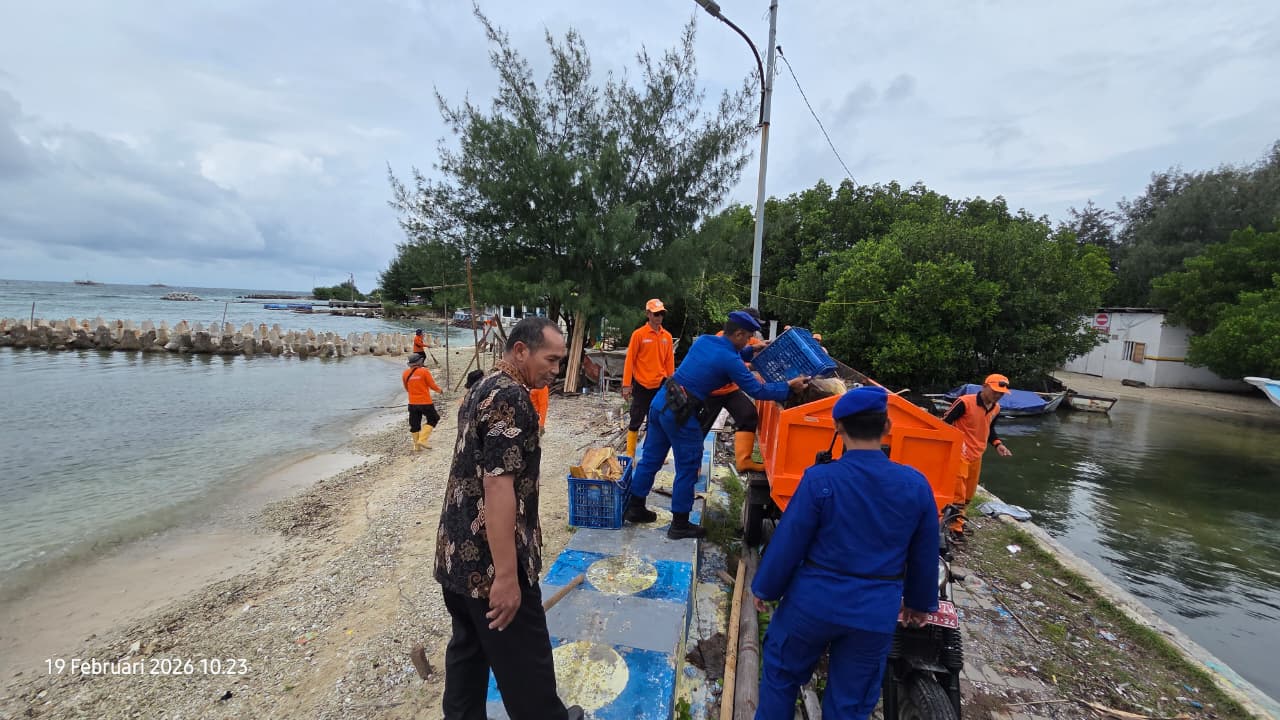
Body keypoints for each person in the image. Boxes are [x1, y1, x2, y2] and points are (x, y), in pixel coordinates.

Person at [751, 386, 940, 719]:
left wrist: (765, 589)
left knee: (781, 677)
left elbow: (789, 540)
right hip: (873, 612)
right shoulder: (916, 484)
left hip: (812, 603)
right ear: (887, 429)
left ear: (837, 428)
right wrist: (918, 604)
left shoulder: (820, 479)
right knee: (851, 703)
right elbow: (925, 552)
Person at [434, 317, 583, 720]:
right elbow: (498, 488)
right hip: (489, 563)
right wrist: (505, 577)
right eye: (550, 360)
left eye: (560, 361)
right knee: (527, 669)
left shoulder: (481, 386)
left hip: (455, 555)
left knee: (467, 657)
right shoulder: (512, 399)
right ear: (521, 351)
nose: (556, 370)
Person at [627, 311, 810, 539]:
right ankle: (680, 525)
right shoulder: (730, 360)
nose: (750, 340)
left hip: (661, 402)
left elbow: (726, 352)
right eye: (749, 337)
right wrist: (789, 387)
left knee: (651, 458)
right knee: (688, 465)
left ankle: (634, 508)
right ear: (739, 333)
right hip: (680, 413)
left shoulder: (705, 340)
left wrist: (751, 351)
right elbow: (757, 390)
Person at [941, 373, 1014, 539]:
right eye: (995, 391)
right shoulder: (965, 402)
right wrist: (956, 443)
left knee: (968, 494)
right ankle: (954, 528)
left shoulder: (996, 408)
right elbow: (944, 423)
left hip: (977, 454)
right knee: (958, 493)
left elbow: (989, 429)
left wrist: (998, 444)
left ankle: (955, 520)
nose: (998, 395)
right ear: (985, 386)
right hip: (960, 453)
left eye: (1001, 393)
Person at [701, 307, 768, 473]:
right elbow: (732, 364)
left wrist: (760, 348)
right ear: (740, 330)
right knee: (700, 428)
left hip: (730, 389)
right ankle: (694, 463)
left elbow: (746, 353)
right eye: (751, 330)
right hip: (713, 391)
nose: (751, 336)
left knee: (748, 415)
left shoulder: (749, 340)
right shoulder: (720, 338)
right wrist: (751, 366)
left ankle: (744, 461)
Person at [621, 298, 675, 458]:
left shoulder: (667, 336)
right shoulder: (639, 335)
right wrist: (626, 384)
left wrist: (671, 383)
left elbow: (669, 362)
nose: (659, 317)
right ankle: (630, 454)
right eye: (656, 313)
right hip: (642, 384)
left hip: (660, 384)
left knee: (657, 421)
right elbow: (630, 360)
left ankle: (652, 453)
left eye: (661, 314)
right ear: (648, 314)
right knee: (636, 418)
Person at [403, 352, 443, 452]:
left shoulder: (405, 373)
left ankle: (417, 446)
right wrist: (440, 391)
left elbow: (406, 388)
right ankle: (422, 439)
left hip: (412, 403)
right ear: (420, 362)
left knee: (414, 424)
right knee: (434, 418)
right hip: (425, 402)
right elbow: (432, 385)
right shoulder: (424, 371)